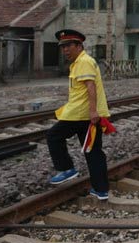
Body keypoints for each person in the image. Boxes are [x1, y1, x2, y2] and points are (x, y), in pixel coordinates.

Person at [46, 29, 113, 200]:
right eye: (63, 47)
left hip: (81, 115)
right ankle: (101, 190)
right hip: (86, 115)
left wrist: (92, 111)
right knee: (93, 151)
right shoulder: (81, 62)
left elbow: (91, 87)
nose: (65, 50)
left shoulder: (83, 61)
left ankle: (67, 169)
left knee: (53, 136)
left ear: (79, 45)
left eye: (69, 46)